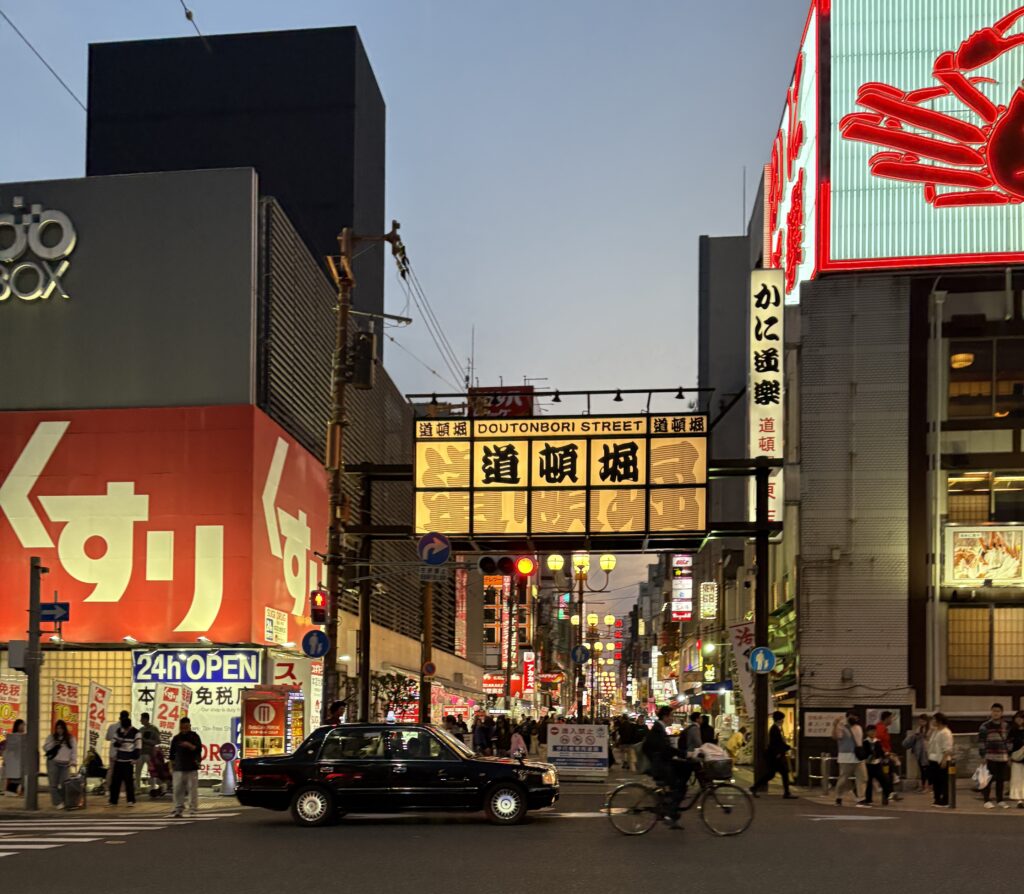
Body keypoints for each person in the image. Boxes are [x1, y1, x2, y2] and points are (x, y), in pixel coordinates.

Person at [641, 706, 686, 830]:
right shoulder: (658, 729)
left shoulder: (659, 728)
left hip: (659, 763)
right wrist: (682, 754)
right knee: (677, 785)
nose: (672, 719)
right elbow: (664, 748)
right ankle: (669, 814)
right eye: (671, 716)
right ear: (665, 717)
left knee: (675, 785)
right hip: (659, 766)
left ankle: (668, 811)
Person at [752, 711, 797, 799]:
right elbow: (776, 743)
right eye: (782, 719)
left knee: (771, 774)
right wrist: (786, 748)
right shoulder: (774, 729)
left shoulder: (775, 728)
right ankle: (786, 793)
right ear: (779, 719)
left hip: (774, 755)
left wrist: (786, 747)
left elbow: (777, 743)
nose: (783, 721)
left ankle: (754, 787)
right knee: (783, 773)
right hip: (775, 756)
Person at [978, 702, 1011, 808]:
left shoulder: (1006, 725)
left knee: (1000, 779)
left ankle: (1000, 800)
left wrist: (1009, 754)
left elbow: (1008, 741)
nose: (995, 713)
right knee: (988, 779)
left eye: (998, 711)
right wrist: (983, 756)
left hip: (1002, 756)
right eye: (994, 711)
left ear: (1001, 713)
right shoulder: (985, 726)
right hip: (990, 756)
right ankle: (986, 800)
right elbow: (981, 742)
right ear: (991, 712)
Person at [169, 716, 203, 818]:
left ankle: (193, 808)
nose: (184, 729)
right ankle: (178, 808)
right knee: (177, 789)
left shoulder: (194, 736)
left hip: (191, 767)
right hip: (178, 767)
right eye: (182, 727)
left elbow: (198, 749)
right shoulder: (176, 738)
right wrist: (170, 767)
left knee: (192, 789)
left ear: (189, 726)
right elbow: (171, 754)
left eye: (186, 727)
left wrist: (189, 745)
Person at [108, 711, 141, 807]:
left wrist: (135, 758)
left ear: (130, 726)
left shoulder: (136, 732)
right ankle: (113, 801)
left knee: (129, 781)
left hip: (129, 760)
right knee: (115, 781)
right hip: (119, 759)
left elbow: (138, 747)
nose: (125, 729)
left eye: (126, 728)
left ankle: (130, 800)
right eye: (123, 727)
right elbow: (114, 742)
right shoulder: (119, 731)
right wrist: (120, 740)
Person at [833, 711, 866, 807]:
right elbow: (835, 737)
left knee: (863, 777)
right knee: (843, 779)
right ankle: (838, 797)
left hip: (858, 757)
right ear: (847, 717)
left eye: (855, 716)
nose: (854, 718)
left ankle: (861, 799)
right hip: (846, 757)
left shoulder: (859, 728)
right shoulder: (842, 728)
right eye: (852, 716)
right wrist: (835, 725)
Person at [43, 719, 76, 809]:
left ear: (64, 728)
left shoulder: (70, 738)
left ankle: (63, 800)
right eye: (57, 728)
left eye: (61, 728)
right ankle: (58, 802)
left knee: (65, 783)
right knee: (53, 784)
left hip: (65, 764)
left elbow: (73, 751)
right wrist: (54, 744)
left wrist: (73, 761)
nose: (59, 730)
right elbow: (45, 748)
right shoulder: (52, 737)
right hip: (53, 762)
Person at [862, 725, 892, 807]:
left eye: (874, 731)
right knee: (868, 782)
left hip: (877, 763)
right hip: (868, 764)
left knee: (884, 780)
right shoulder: (865, 742)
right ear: (867, 732)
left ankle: (886, 796)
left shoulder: (877, 742)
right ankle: (868, 799)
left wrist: (885, 755)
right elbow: (864, 753)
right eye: (871, 731)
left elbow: (881, 752)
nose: (873, 733)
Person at [928, 713, 954, 807]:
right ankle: (937, 799)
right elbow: (929, 740)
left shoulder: (945, 732)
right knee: (935, 781)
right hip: (933, 759)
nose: (932, 721)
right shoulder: (936, 731)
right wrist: (931, 729)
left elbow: (947, 748)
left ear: (939, 720)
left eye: (934, 719)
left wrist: (944, 760)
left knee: (943, 781)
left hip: (941, 759)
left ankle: (945, 800)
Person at [903, 714, 932, 793]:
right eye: (920, 721)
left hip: (927, 752)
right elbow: (915, 739)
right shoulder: (919, 729)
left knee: (927, 770)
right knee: (922, 770)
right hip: (919, 752)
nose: (921, 722)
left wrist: (923, 736)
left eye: (923, 721)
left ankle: (928, 786)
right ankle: (923, 786)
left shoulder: (930, 729)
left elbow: (929, 739)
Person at [136, 712, 160, 792]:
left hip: (149, 753)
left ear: (146, 719)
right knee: (137, 771)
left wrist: (145, 740)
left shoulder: (153, 729)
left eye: (142, 719)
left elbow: (157, 741)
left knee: (152, 771)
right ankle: (137, 788)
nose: (140, 720)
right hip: (140, 753)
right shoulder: (141, 729)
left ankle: (153, 788)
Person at [1, 719, 26, 795]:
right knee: (13, 781)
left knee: (20, 780)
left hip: (21, 764)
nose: (23, 727)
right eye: (21, 725)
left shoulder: (25, 737)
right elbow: (5, 749)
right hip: (13, 763)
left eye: (24, 725)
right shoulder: (11, 738)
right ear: (17, 726)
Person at [1007, 710, 1024, 809]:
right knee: (1017, 779)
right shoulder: (1012, 731)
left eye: (1021, 718)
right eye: (1017, 718)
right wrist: (1008, 756)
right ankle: (1019, 800)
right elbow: (1009, 744)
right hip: (1016, 757)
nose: (1019, 720)